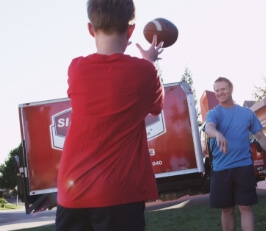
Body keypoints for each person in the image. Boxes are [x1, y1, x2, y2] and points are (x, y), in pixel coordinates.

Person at [55, 0, 164, 230]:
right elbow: (156, 106)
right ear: (131, 29)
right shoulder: (145, 71)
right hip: (120, 194)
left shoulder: (76, 69)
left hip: (72, 194)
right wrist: (150, 61)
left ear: (90, 29)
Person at [205, 77, 266, 231]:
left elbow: (260, 136)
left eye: (223, 89)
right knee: (227, 209)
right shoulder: (214, 113)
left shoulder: (246, 113)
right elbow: (209, 127)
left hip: (243, 167)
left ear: (231, 89)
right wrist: (218, 134)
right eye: (217, 90)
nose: (220, 93)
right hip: (221, 169)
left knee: (245, 208)